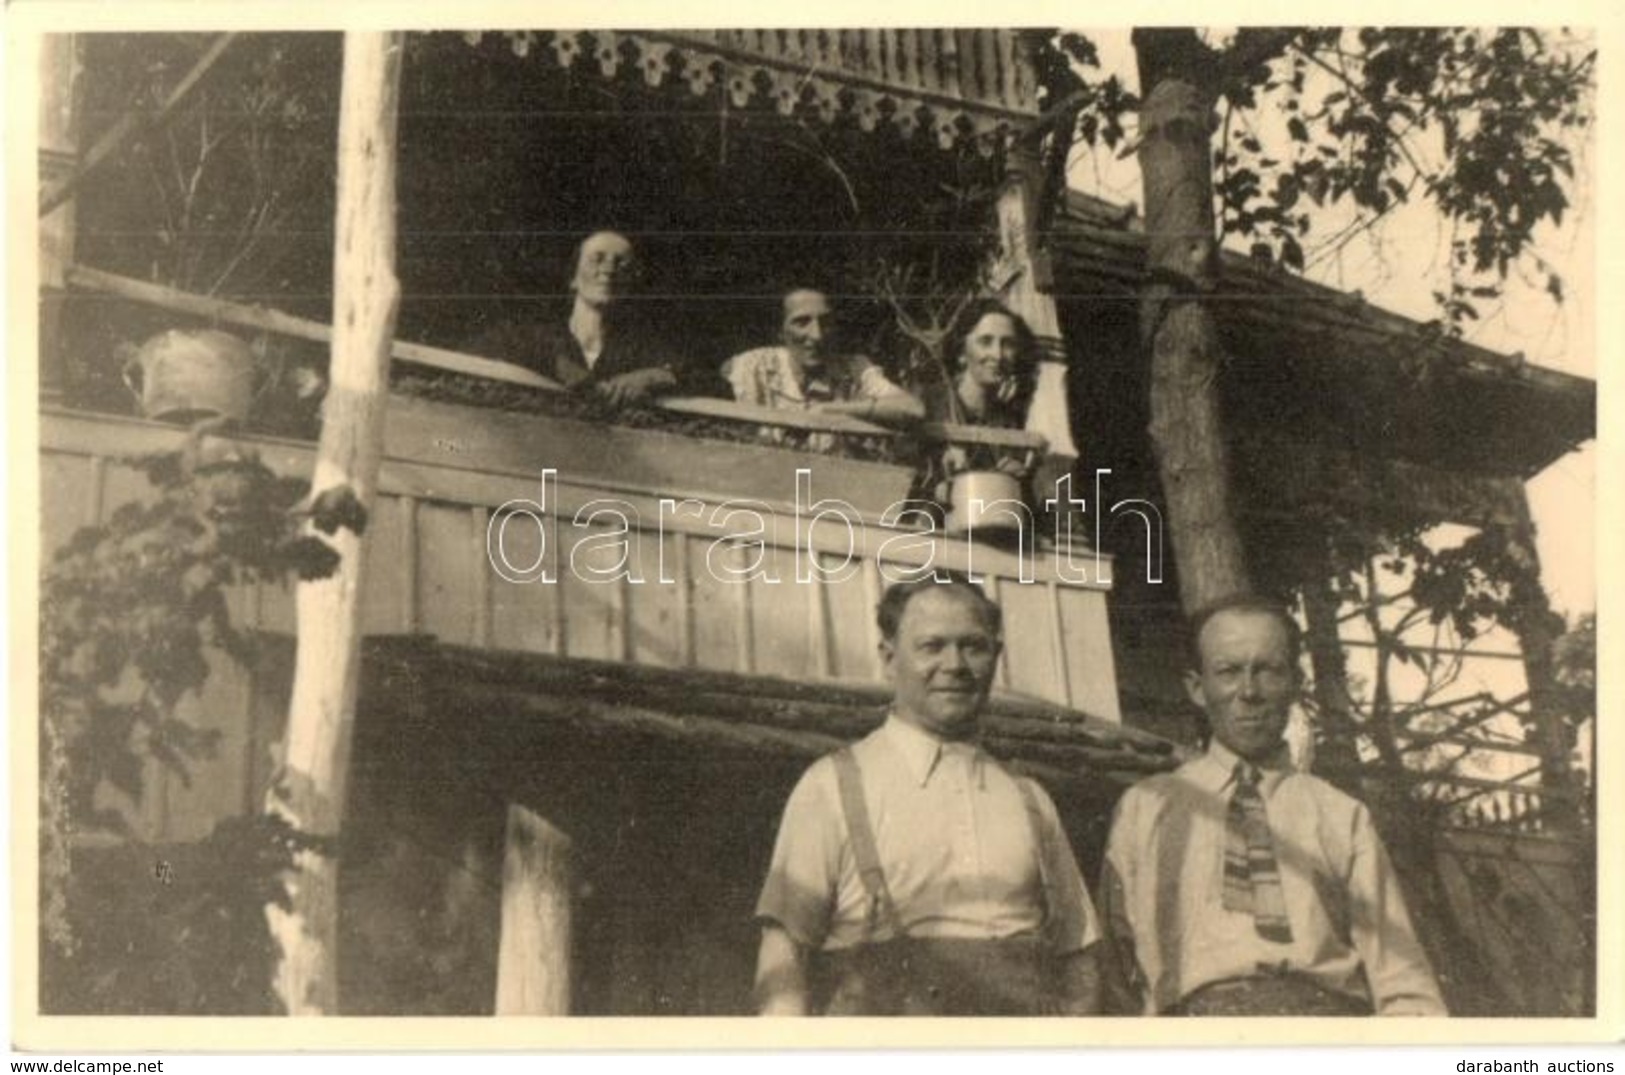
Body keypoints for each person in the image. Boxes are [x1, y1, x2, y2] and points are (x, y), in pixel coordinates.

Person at [753, 575, 1104, 1015]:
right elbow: (783, 958)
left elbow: (1080, 961)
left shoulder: (1029, 799)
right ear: (888, 658)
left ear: (996, 657)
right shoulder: (831, 787)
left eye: (972, 646)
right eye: (932, 646)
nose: (954, 664)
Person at [1100, 596, 1448, 1016]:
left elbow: (1402, 978)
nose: (1249, 692)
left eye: (1267, 671)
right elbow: (1115, 974)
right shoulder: (1146, 809)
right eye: (1228, 672)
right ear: (1197, 687)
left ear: (1294, 683)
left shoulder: (1341, 815)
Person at [466, 230, 686, 408]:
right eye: (597, 259)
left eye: (621, 263)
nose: (608, 269)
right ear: (573, 277)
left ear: (630, 282)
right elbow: (478, 352)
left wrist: (656, 376)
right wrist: (557, 365)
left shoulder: (641, 349)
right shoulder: (533, 335)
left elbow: (703, 377)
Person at [723, 288, 924, 450]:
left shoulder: (853, 369)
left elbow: (913, 408)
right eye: (802, 322)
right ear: (780, 333)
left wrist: (828, 409)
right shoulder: (753, 366)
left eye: (825, 322)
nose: (817, 335)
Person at [933, 298, 1039, 476]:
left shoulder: (1010, 422)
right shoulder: (931, 404)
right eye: (985, 341)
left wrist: (1017, 478)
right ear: (961, 352)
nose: (997, 355)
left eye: (1008, 344)